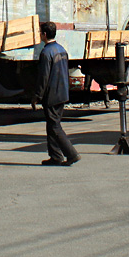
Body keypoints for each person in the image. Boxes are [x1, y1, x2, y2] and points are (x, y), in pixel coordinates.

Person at [36, 21, 80, 166]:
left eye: (40, 32)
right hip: (62, 93)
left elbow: (44, 77)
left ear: (44, 34)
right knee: (52, 125)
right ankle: (55, 156)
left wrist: (37, 96)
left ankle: (71, 154)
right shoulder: (61, 50)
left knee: (55, 127)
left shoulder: (46, 52)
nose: (39, 34)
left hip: (52, 95)